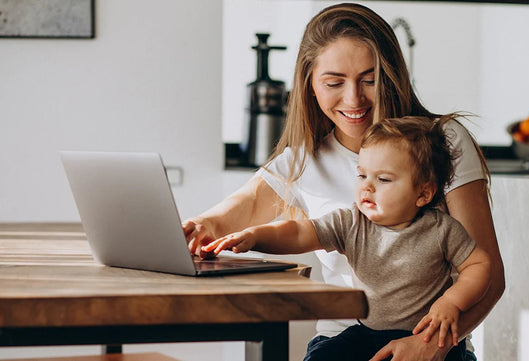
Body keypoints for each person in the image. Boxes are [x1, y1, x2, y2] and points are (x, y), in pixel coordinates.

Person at [183, 3, 505, 360]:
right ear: (310, 85)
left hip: (434, 343)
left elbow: (488, 274)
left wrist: (430, 346)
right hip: (346, 339)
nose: (354, 98)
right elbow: (227, 217)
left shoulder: (442, 142)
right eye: (334, 82)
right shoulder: (303, 160)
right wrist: (201, 225)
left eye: (370, 80)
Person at [202, 115, 491, 361]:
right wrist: (255, 236)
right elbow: (300, 231)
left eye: (384, 179)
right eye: (362, 175)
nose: (367, 188)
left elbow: (479, 266)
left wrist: (452, 302)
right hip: (367, 331)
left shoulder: (441, 229)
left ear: (423, 193)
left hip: (427, 335)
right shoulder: (351, 222)